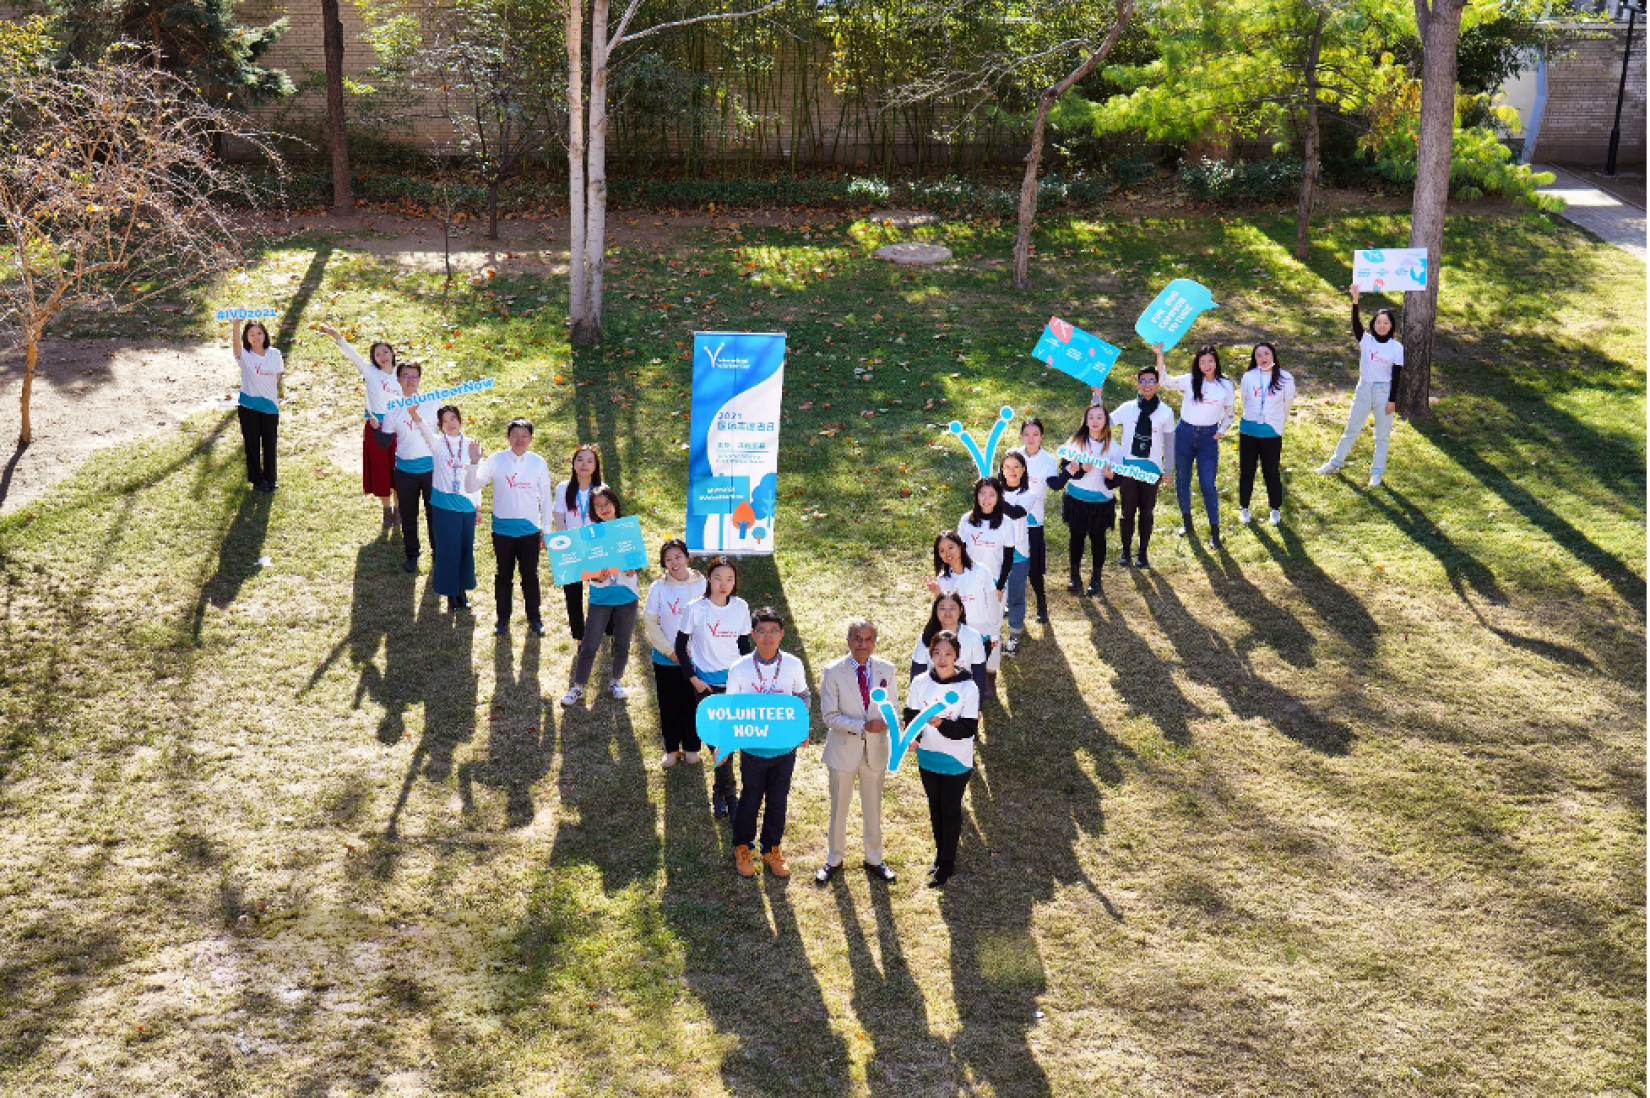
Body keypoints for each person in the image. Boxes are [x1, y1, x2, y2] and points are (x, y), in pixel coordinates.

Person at [723, 607, 811, 878]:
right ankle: (742, 846)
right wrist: (725, 742)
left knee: (777, 800)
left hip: (785, 748)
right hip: (753, 749)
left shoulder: (794, 665)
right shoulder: (739, 668)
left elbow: (803, 696)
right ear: (753, 634)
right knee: (750, 799)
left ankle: (771, 848)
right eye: (762, 631)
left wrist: (801, 725)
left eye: (773, 631)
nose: (768, 637)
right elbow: (731, 708)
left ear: (781, 634)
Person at [816, 618, 898, 885]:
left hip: (875, 751)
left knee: (873, 806)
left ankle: (874, 859)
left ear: (874, 642)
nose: (863, 644)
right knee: (839, 807)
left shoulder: (887, 669)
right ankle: (834, 859)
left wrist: (889, 722)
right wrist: (864, 726)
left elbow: (893, 707)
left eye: (868, 639)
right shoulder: (833, 671)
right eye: (857, 639)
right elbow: (829, 716)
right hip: (843, 751)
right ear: (848, 640)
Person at [675, 557, 754, 819]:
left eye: (729, 579)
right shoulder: (696, 608)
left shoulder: (741, 607)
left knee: (727, 743)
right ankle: (731, 798)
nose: (724, 584)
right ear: (709, 579)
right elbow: (680, 647)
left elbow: (744, 647)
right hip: (705, 686)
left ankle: (722, 795)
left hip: (733, 685)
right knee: (717, 743)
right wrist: (694, 680)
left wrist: (749, 678)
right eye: (718, 578)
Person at [906, 630, 980, 889]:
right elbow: (911, 715)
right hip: (927, 757)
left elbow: (968, 729)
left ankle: (947, 863)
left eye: (948, 653)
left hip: (955, 761)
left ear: (957, 656)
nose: (942, 658)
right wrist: (912, 737)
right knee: (934, 807)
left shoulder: (968, 687)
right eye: (937, 653)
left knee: (950, 808)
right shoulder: (919, 682)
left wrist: (940, 724)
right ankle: (940, 854)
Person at [466, 418, 553, 636]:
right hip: (503, 532)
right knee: (503, 577)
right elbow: (471, 485)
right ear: (508, 437)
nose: (519, 440)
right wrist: (474, 462)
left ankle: (535, 618)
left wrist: (547, 532)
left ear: (531, 439)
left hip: (530, 532)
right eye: (515, 435)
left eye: (524, 436)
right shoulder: (496, 460)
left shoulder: (538, 463)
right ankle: (502, 619)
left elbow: (546, 499)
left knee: (530, 576)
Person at [319, 323, 402, 531]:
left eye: (385, 352)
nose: (382, 356)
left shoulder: (402, 374)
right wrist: (337, 336)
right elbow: (351, 354)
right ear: (373, 359)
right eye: (377, 354)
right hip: (376, 426)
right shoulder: (370, 372)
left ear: (392, 354)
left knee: (399, 468)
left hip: (399, 427)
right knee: (382, 468)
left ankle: (399, 508)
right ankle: (386, 509)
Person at [561, 487, 640, 707]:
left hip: (626, 597)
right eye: (598, 506)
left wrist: (632, 569)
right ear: (593, 510)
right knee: (589, 645)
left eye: (607, 504)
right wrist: (596, 577)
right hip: (600, 598)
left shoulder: (628, 529)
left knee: (622, 643)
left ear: (615, 504)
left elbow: (635, 562)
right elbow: (584, 569)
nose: (604, 509)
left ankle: (616, 682)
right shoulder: (589, 533)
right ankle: (577, 687)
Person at [1319, 284, 1403, 487]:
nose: (1382, 326)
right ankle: (1335, 463)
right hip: (1364, 389)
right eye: (1378, 322)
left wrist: (1392, 400)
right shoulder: (1366, 341)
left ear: (1391, 326)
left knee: (1381, 437)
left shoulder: (1397, 347)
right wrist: (1355, 301)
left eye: (1386, 323)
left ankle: (1376, 474)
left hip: (1384, 392)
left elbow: (1397, 375)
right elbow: (1356, 324)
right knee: (1352, 429)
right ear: (1373, 324)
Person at [1157, 342, 1235, 550]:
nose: (1207, 365)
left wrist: (1221, 431)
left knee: (1207, 484)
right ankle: (1187, 522)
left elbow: (1230, 412)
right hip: (1184, 434)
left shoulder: (1225, 385)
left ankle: (1214, 532)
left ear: (1216, 363)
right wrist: (1160, 355)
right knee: (1182, 480)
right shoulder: (1190, 380)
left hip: (1209, 437)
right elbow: (1164, 380)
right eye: (1202, 362)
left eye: (1210, 361)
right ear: (1197, 363)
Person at [408, 403, 479, 611]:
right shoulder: (437, 443)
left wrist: (478, 507)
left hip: (466, 505)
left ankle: (462, 591)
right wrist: (413, 412)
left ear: (460, 420)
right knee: (448, 550)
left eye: (453, 419)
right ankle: (451, 593)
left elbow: (476, 478)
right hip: (444, 505)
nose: (450, 424)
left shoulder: (471, 444)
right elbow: (421, 426)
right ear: (439, 425)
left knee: (466, 549)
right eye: (445, 421)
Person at [642, 539, 707, 769]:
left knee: (692, 703)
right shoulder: (658, 588)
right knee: (669, 705)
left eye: (678, 556)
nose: (674, 563)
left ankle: (691, 748)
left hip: (695, 659)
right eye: (668, 559)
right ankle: (671, 750)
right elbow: (650, 622)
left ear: (687, 557)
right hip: (666, 658)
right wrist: (670, 652)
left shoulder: (702, 584)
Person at [1047, 403, 1120, 596]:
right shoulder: (1074, 443)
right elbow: (1064, 470)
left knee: (1098, 539)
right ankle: (1074, 576)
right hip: (1076, 499)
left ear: (1106, 421)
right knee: (1076, 537)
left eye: (1099, 417)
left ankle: (1096, 578)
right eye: (1091, 417)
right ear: (1085, 421)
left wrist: (1111, 477)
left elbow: (1118, 480)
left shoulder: (1114, 448)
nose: (1095, 421)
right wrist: (1080, 470)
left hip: (1101, 503)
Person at [1111, 364, 1177, 569]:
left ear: (1157, 384)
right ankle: (1125, 551)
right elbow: (1102, 422)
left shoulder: (1165, 412)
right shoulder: (1127, 408)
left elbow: (1169, 442)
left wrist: (1168, 470)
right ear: (1137, 384)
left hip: (1152, 469)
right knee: (1127, 511)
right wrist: (1096, 397)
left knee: (1147, 512)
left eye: (1151, 381)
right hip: (1128, 467)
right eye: (1143, 381)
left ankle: (1142, 553)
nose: (1147, 385)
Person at [955, 477, 1020, 666]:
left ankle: (990, 670)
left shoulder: (1006, 523)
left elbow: (1008, 558)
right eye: (982, 493)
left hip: (994, 584)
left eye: (992, 494)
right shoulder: (966, 520)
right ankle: (965, 665)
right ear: (976, 496)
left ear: (999, 497)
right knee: (967, 624)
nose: (986, 498)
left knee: (992, 626)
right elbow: (959, 553)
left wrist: (999, 587)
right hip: (969, 581)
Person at [925, 531, 999, 694]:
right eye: (942, 551)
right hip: (958, 636)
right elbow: (945, 610)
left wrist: (995, 633)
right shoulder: (943, 579)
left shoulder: (981, 571)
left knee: (975, 674)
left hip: (981, 634)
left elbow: (993, 603)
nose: (947, 553)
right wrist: (937, 592)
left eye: (950, 547)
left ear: (960, 546)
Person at [1237, 342, 1297, 526]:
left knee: (1271, 472)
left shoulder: (1286, 378)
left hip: (1271, 432)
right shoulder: (1248, 377)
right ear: (1254, 359)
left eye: (1266, 354)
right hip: (1248, 430)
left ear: (1273, 355)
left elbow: (1287, 405)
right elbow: (1244, 400)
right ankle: (1244, 508)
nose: (1263, 358)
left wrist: (1276, 424)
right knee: (1247, 471)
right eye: (1258, 356)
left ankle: (1275, 509)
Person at [552, 444, 607, 642]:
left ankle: (607, 632)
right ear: (574, 463)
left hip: (595, 548)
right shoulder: (562, 488)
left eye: (589, 460)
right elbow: (559, 517)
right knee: (573, 595)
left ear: (596, 466)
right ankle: (579, 636)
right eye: (580, 459)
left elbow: (607, 521)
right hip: (571, 548)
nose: (584, 464)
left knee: (601, 591)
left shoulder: (602, 490)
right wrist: (563, 547)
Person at [385, 363, 433, 573]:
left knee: (434, 514)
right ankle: (412, 554)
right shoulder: (393, 407)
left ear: (420, 379)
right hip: (405, 472)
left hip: (432, 470)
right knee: (408, 515)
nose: (410, 380)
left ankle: (438, 552)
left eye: (414, 376)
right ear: (398, 379)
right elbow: (385, 439)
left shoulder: (432, 402)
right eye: (406, 376)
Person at [1008, 418, 1056, 624]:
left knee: (1035, 570)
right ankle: (1011, 604)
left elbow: (1054, 484)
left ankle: (1041, 606)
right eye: (1026, 434)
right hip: (1011, 522)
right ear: (1021, 436)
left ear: (1042, 436)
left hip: (1034, 523)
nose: (1031, 438)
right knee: (1010, 565)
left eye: (1035, 434)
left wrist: (1070, 472)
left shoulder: (1048, 460)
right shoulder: (1013, 456)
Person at [230, 317, 283, 493]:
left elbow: (276, 377)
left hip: (270, 407)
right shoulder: (245, 355)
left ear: (265, 335)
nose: (256, 337)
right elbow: (236, 345)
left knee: (270, 443)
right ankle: (257, 480)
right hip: (249, 407)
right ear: (246, 337)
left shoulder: (275, 354)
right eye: (251, 334)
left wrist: (268, 396)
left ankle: (271, 478)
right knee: (252, 444)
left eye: (259, 333)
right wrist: (236, 324)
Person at [995, 452, 1036, 654]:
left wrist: (993, 497)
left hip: (1018, 555)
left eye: (1016, 467)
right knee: (994, 595)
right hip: (994, 554)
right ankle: (993, 635)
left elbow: (1015, 513)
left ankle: (1013, 635)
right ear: (1001, 470)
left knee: (1016, 597)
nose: (1011, 471)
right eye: (1007, 467)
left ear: (1023, 470)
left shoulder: (1029, 495)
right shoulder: (992, 493)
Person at [909, 593, 988, 685]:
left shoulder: (973, 636)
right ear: (936, 611)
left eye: (952, 608)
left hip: (964, 692)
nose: (947, 612)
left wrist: (976, 698)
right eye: (942, 608)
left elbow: (979, 675)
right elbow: (917, 674)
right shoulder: (926, 636)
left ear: (960, 611)